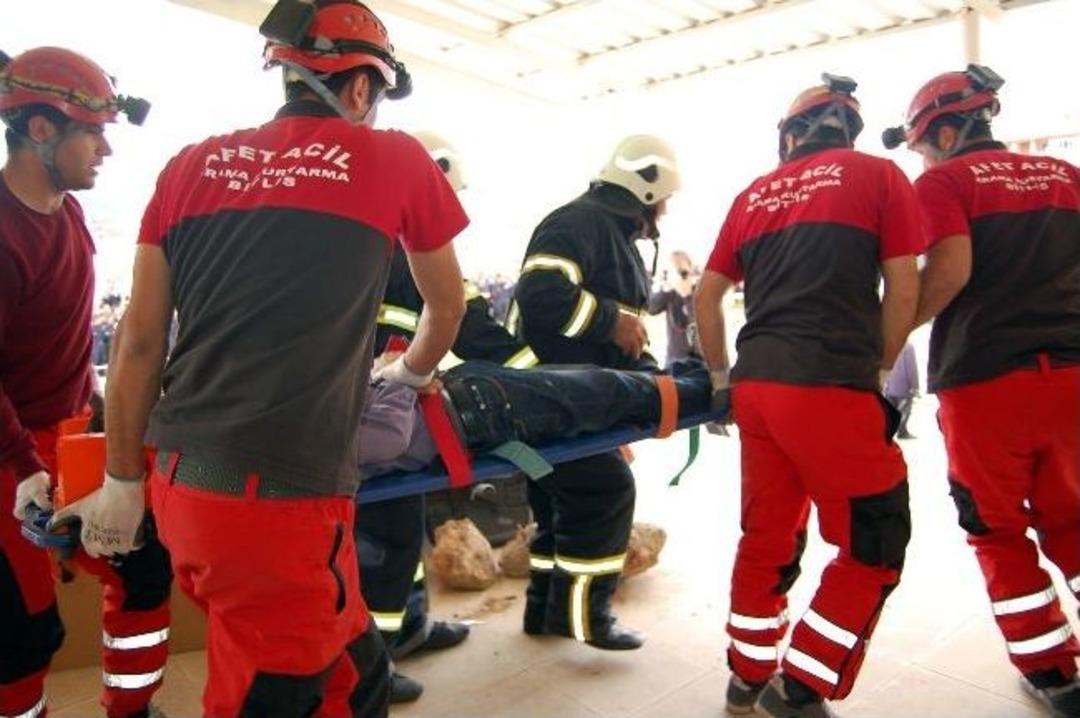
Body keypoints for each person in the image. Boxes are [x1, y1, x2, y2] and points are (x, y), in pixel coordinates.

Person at [53, 1, 469, 715]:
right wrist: (408, 373)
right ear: (362, 87)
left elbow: (140, 346)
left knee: (351, 674)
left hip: (183, 484)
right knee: (268, 692)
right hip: (282, 506)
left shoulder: (187, 167)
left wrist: (124, 481)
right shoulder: (395, 157)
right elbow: (447, 307)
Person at [695, 75, 921, 717]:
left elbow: (705, 297)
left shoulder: (753, 194)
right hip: (828, 383)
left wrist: (719, 379)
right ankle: (798, 690)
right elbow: (903, 286)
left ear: (790, 136)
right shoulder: (878, 176)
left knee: (767, 535)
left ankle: (746, 677)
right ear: (845, 129)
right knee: (873, 540)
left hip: (758, 386)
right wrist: (878, 368)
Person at [886, 64, 1080, 717]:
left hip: (987, 384)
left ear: (942, 130)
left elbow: (951, 268)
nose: (920, 154)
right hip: (1075, 379)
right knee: (1075, 518)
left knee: (996, 529)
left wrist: (890, 336)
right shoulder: (1067, 177)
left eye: (918, 142)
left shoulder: (943, 182)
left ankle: (1053, 673)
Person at [0, 47, 171, 718]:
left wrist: (105, 416)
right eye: (91, 132)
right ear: (41, 130)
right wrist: (21, 467)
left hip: (66, 438)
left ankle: (130, 710)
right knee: (23, 633)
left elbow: (63, 344)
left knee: (143, 569)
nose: (104, 149)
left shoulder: (67, 214)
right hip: (9, 453)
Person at [362, 131, 536, 704]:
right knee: (383, 537)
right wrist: (540, 383)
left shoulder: (379, 242)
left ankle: (408, 628)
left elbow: (465, 319)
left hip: (391, 408)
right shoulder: (389, 246)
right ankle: (375, 662)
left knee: (403, 523)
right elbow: (468, 321)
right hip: (372, 415)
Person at [511, 134, 680, 650]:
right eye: (665, 201)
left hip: (571, 398)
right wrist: (611, 323)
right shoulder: (579, 223)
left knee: (556, 502)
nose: (668, 211)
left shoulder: (610, 232)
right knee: (605, 492)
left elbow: (622, 334)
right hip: (557, 400)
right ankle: (584, 617)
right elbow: (541, 296)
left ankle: (544, 610)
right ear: (647, 192)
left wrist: (649, 373)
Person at [358, 355, 713, 477]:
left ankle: (693, 379)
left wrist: (387, 376)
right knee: (607, 392)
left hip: (469, 397)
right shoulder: (305, 438)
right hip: (479, 414)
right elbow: (387, 437)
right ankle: (715, 390)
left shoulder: (305, 418)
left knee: (598, 380)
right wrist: (399, 377)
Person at [648, 250, 699, 367]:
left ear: (690, 270)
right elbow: (651, 308)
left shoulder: (700, 292)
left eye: (683, 272)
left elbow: (699, 323)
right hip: (673, 360)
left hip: (698, 360)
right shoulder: (670, 294)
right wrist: (666, 287)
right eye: (675, 271)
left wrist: (688, 297)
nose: (681, 277)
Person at [883, 342, 918, 439]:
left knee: (889, 411)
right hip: (903, 386)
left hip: (889, 385)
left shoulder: (889, 345)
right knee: (905, 410)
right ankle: (902, 432)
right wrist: (914, 386)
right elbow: (912, 368)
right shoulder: (908, 347)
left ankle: (888, 433)